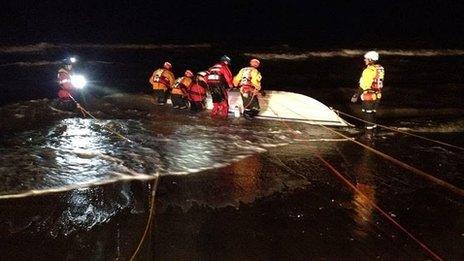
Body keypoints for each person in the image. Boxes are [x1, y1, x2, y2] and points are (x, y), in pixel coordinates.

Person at [351, 51, 385, 139]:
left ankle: (368, 134)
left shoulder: (368, 70)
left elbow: (363, 85)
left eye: (366, 58)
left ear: (370, 59)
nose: (364, 60)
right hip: (378, 95)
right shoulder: (380, 68)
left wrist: (356, 95)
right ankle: (373, 132)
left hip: (369, 95)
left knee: (367, 114)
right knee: (372, 113)